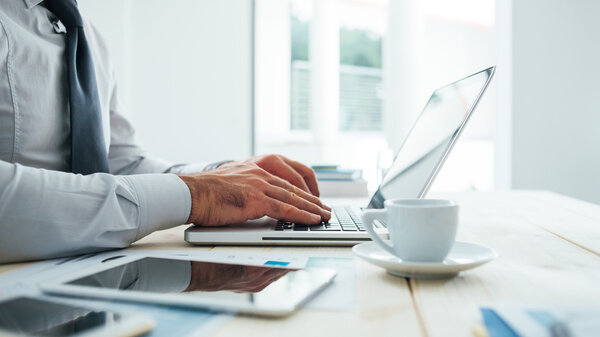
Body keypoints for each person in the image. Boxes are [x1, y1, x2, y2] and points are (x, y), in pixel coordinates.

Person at [0, 0, 330, 264]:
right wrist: (194, 194)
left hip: (90, 270)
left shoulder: (87, 35)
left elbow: (122, 162)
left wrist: (220, 176)